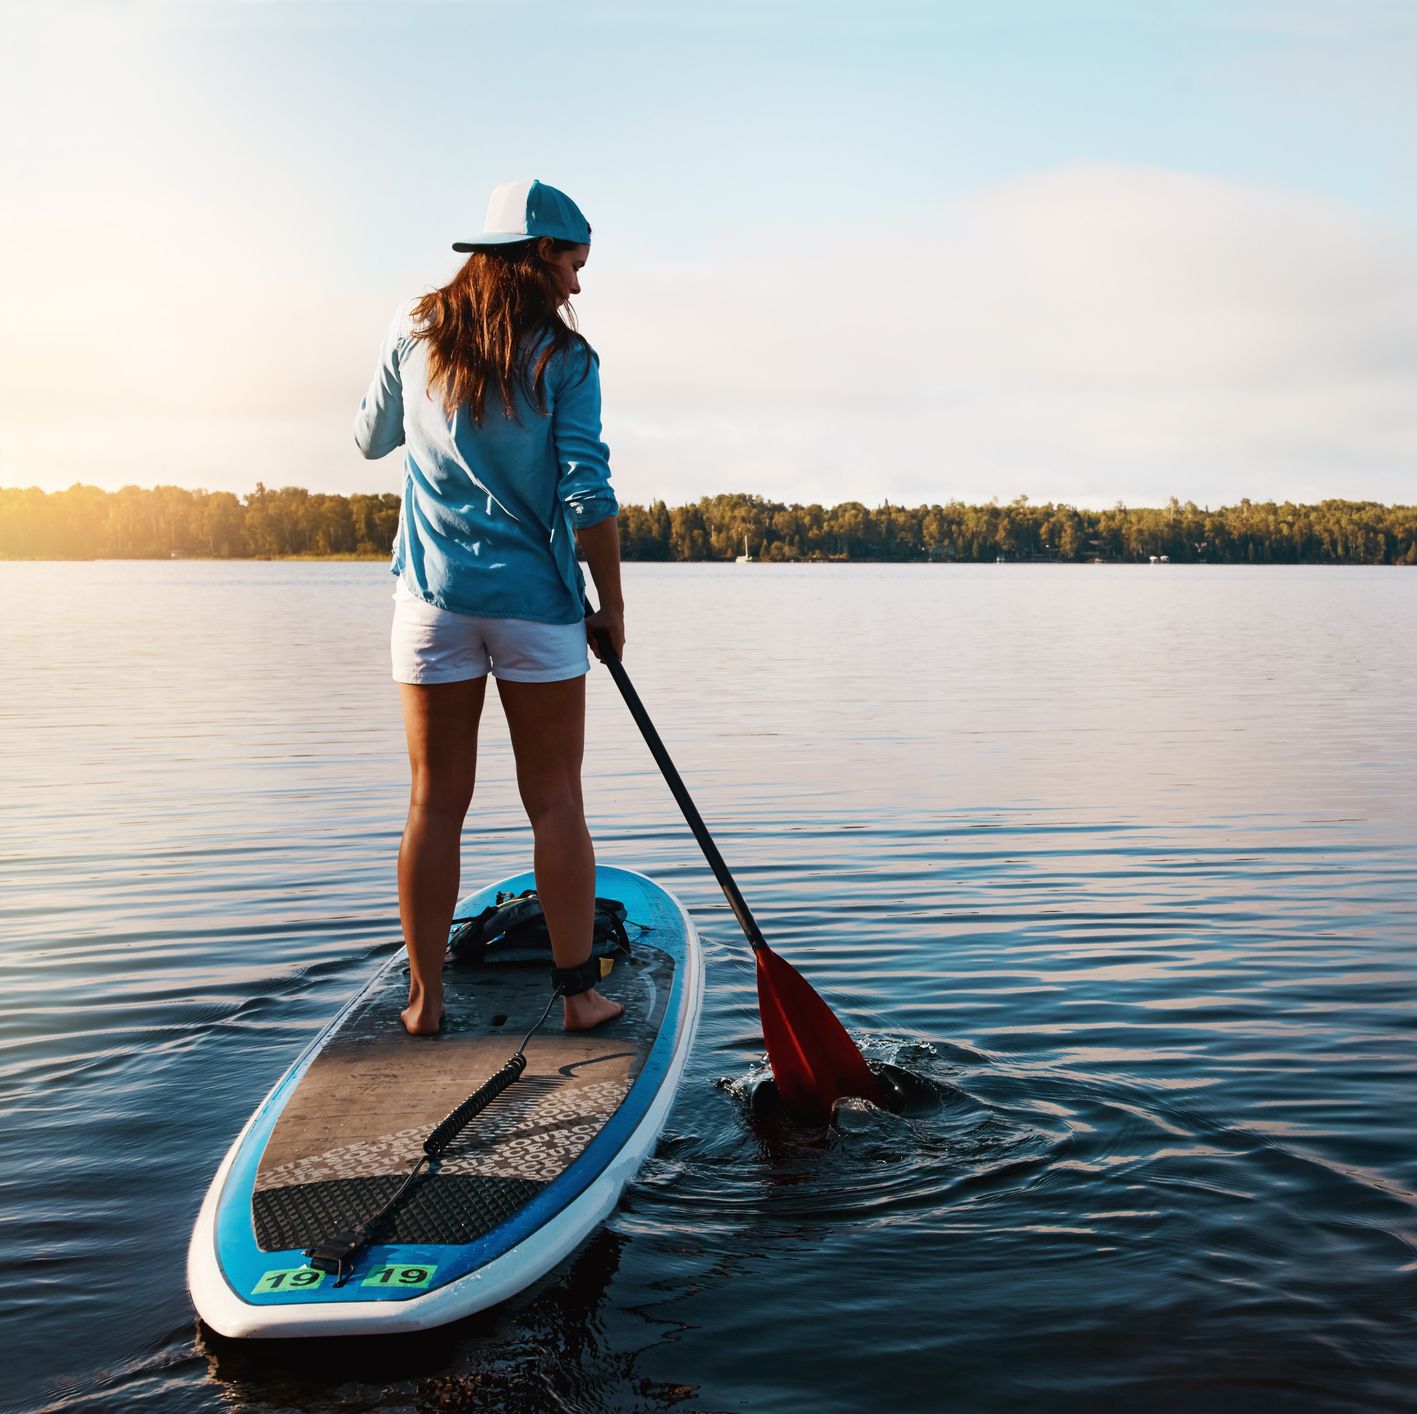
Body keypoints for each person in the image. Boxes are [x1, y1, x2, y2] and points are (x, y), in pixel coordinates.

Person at [354, 178, 625, 1037]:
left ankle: (425, 1003)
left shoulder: (414, 328)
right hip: (538, 606)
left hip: (432, 604)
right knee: (556, 802)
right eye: (573, 265)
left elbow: (370, 439)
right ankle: (579, 996)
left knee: (434, 799)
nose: (578, 287)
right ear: (538, 253)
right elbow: (588, 494)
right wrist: (610, 604)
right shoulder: (566, 362)